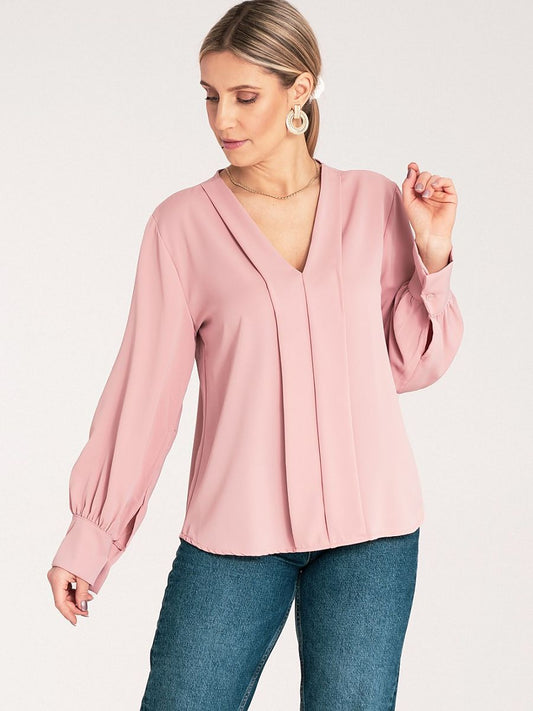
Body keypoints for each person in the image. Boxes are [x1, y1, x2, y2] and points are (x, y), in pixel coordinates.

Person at [47, 0, 464, 708]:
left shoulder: (373, 203)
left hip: (374, 532)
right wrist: (92, 535)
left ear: (299, 91)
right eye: (210, 96)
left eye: (245, 96)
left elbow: (407, 365)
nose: (223, 119)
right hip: (235, 533)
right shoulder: (182, 226)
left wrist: (432, 254)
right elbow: (145, 393)